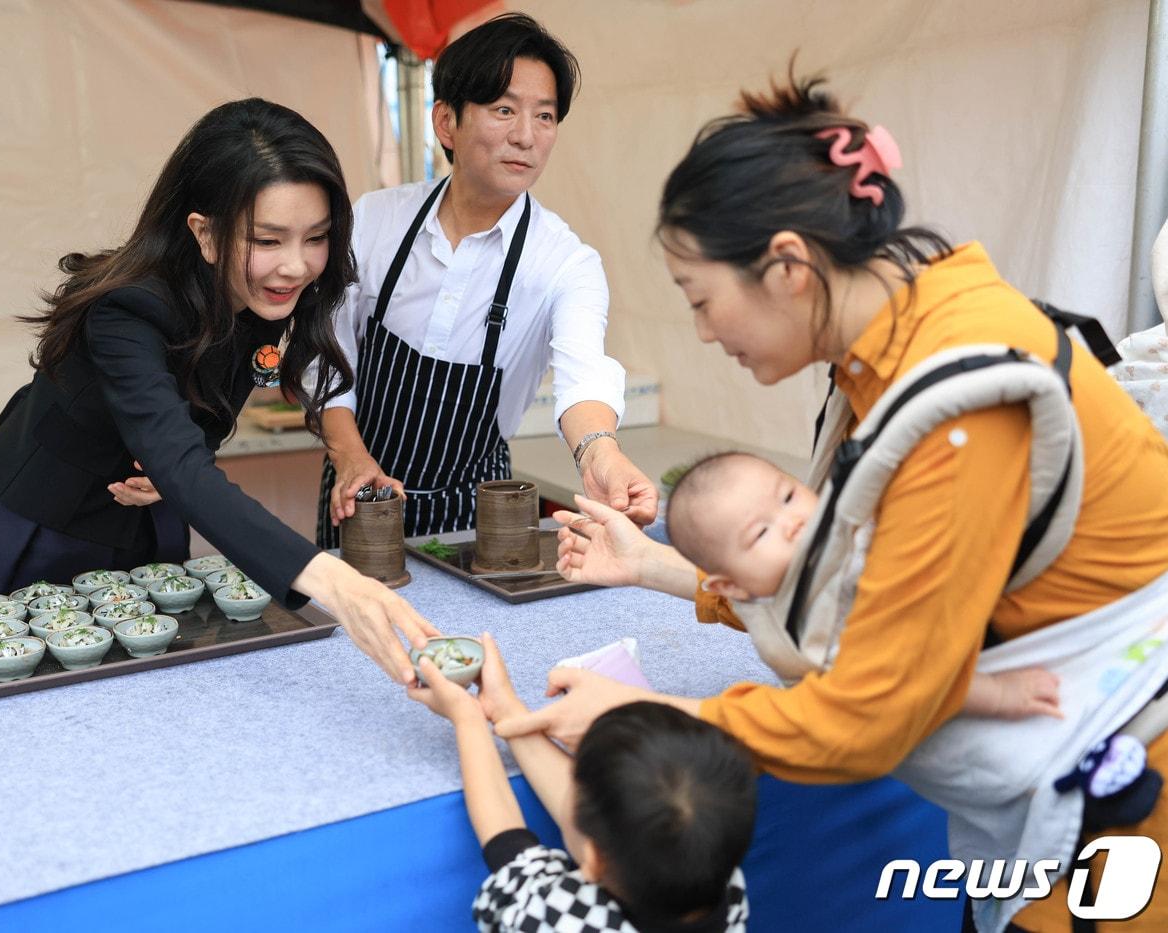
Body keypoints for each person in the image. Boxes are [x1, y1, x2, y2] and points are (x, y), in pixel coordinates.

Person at [494, 71, 1168, 930]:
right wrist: (662, 565)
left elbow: (868, 715)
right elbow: (851, 587)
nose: (705, 333)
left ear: (787, 267)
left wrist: (651, 711)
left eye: (703, 300)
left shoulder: (957, 403)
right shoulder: (901, 342)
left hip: (1120, 808)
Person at [0, 99, 437, 684]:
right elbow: (177, 454)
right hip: (39, 525)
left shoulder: (262, 298)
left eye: (317, 237)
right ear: (204, 232)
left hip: (153, 522)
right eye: (268, 240)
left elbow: (187, 432)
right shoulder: (127, 309)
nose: (296, 267)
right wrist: (335, 582)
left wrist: (170, 470)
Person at [310, 13, 656, 547]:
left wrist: (601, 454)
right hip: (360, 496)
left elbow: (584, 372)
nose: (526, 136)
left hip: (479, 511)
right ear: (446, 121)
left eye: (545, 116)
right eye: (503, 110)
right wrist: (349, 456)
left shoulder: (565, 262)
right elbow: (325, 353)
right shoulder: (375, 221)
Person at [668, 451, 1061, 720]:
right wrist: (1000, 695)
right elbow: (907, 682)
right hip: (936, 709)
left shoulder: (831, 531)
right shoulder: (805, 636)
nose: (793, 521)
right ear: (732, 586)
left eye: (788, 496)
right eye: (762, 532)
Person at [409, 632, 752, 933]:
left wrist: (466, 718)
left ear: (593, 858)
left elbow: (505, 839)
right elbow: (611, 810)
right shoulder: (723, 882)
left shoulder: (561, 917)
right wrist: (505, 709)